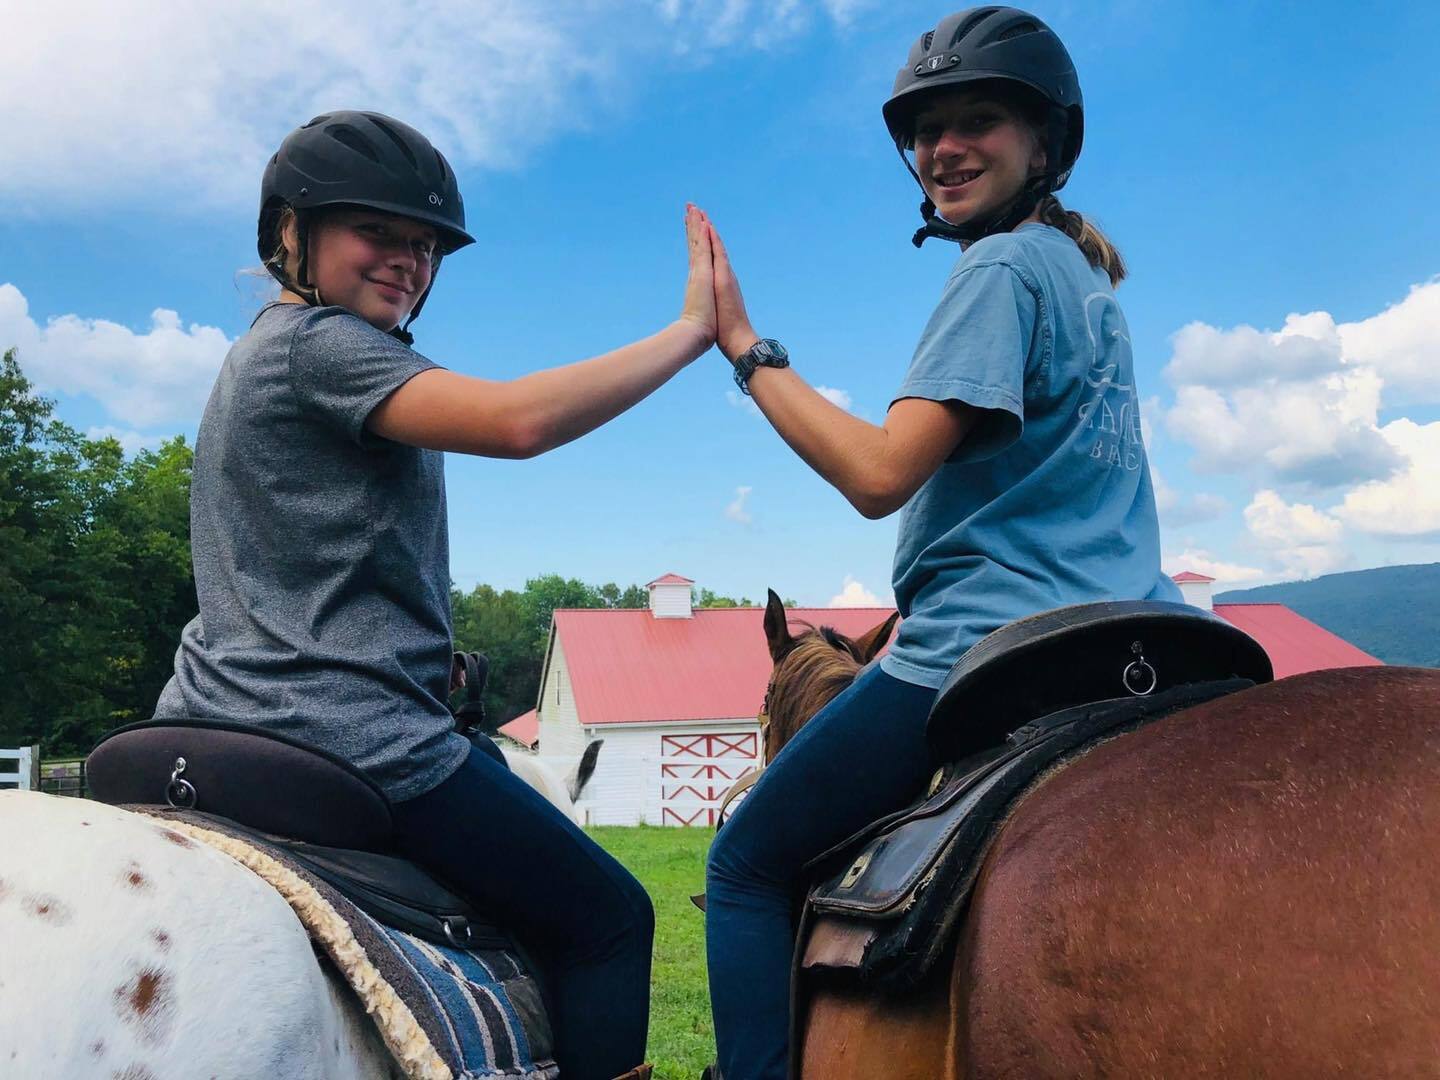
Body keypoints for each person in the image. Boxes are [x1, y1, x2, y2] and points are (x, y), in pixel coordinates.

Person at [154, 109, 718, 1080]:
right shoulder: (320, 346)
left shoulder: (261, 354)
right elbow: (519, 421)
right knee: (613, 918)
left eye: (426, 246)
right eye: (378, 232)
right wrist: (692, 332)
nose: (408, 259)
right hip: (350, 731)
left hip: (220, 706)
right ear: (293, 232)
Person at [700, 9, 1181, 1077]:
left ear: (1044, 144)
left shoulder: (1001, 270)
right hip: (1145, 637)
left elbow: (880, 477)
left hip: (987, 649)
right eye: (926, 131)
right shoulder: (1089, 284)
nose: (945, 148)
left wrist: (745, 349)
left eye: (979, 122)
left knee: (742, 866)